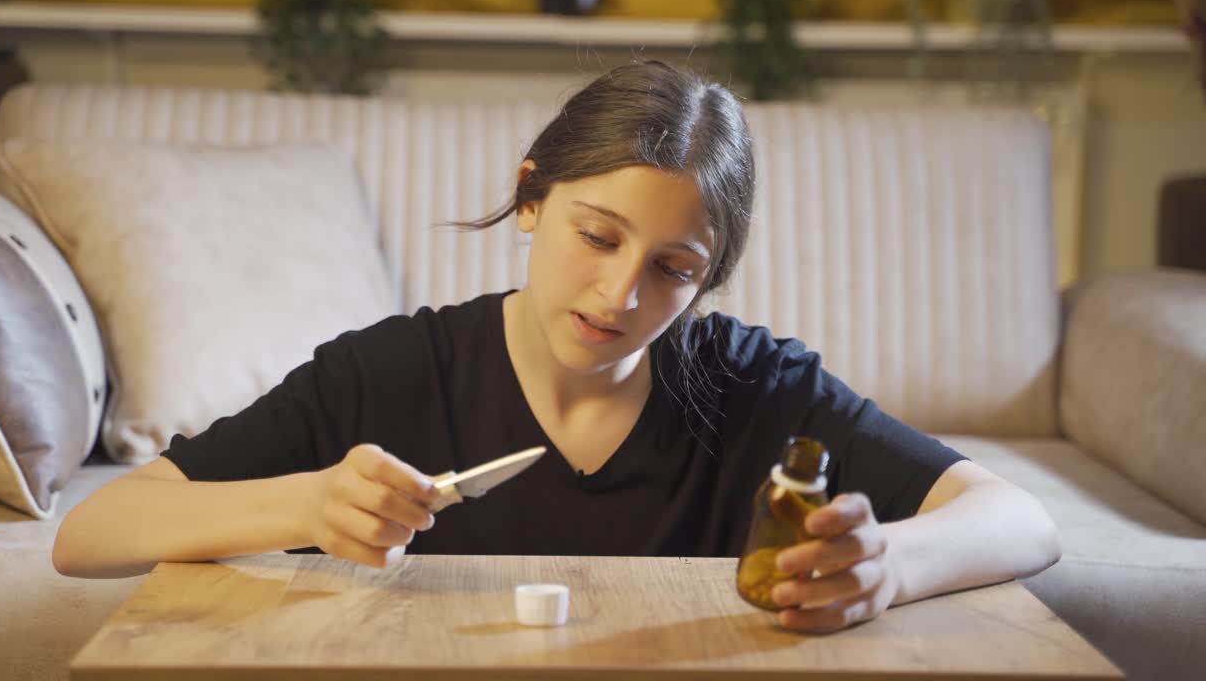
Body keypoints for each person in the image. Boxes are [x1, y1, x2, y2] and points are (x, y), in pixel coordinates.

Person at [53, 60, 1060, 633]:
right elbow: (89, 535)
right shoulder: (391, 371)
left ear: (707, 277)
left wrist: (884, 567)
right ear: (530, 196)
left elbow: (1018, 519)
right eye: (597, 236)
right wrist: (309, 504)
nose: (620, 295)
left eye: (673, 267)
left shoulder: (755, 384)